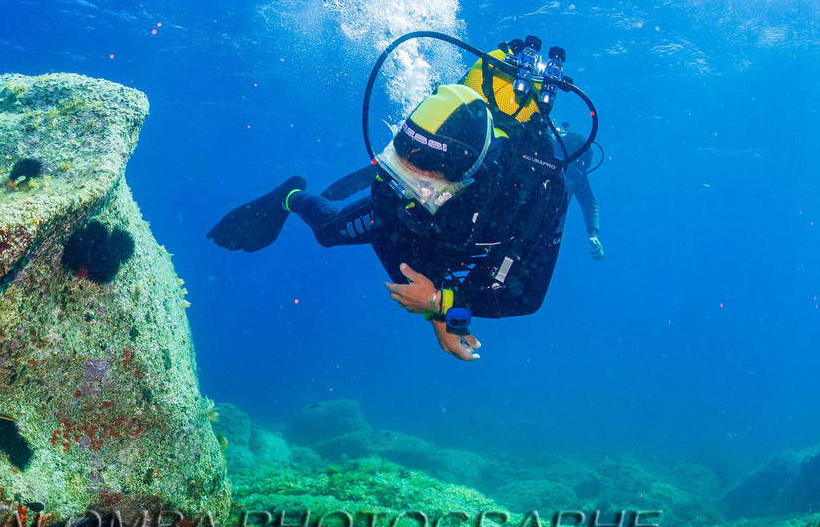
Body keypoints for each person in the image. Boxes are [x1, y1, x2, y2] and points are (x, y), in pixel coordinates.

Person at [206, 81, 569, 362]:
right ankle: (290, 195)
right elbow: (397, 246)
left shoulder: (537, 194)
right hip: (437, 244)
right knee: (328, 233)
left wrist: (442, 306)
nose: (403, 194)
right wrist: (436, 310)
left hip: (475, 241)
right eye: (396, 170)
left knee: (468, 281)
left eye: (419, 186)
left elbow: (524, 298)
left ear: (465, 180)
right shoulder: (398, 178)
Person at [554, 125, 603, 260]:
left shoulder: (578, 177)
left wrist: (593, 234)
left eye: (577, 172)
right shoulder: (543, 157)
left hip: (549, 228)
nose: (571, 177)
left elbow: (589, 203)